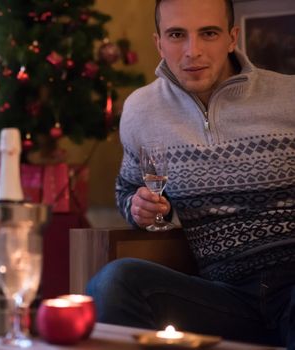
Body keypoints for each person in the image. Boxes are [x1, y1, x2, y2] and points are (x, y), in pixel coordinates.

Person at [86, 0, 295, 347]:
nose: (192, 51)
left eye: (208, 34)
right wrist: (140, 208)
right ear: (159, 43)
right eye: (177, 35)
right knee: (113, 283)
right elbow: (128, 190)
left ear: (232, 38)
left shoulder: (288, 98)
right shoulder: (141, 111)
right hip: (226, 298)